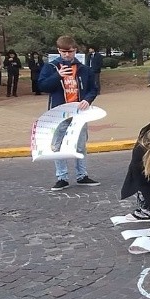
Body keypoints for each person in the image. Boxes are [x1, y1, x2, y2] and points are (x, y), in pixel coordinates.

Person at [38, 35, 100, 191]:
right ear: (58, 51)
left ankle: (82, 175)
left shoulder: (84, 69)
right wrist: (57, 76)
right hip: (59, 112)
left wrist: (88, 99)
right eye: (63, 52)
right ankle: (62, 177)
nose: (67, 55)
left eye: (70, 52)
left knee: (80, 145)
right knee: (57, 145)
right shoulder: (51, 67)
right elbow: (42, 85)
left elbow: (94, 88)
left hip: (79, 112)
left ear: (75, 50)